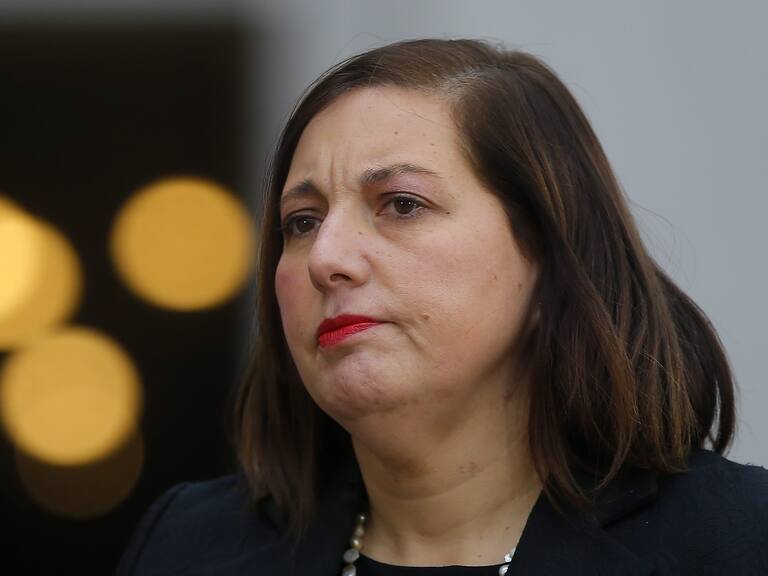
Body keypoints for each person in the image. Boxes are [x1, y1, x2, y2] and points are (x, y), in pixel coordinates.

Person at [117, 38, 768, 575]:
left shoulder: (735, 543)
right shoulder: (189, 550)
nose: (326, 258)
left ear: (548, 257)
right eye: (302, 221)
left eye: (401, 204)